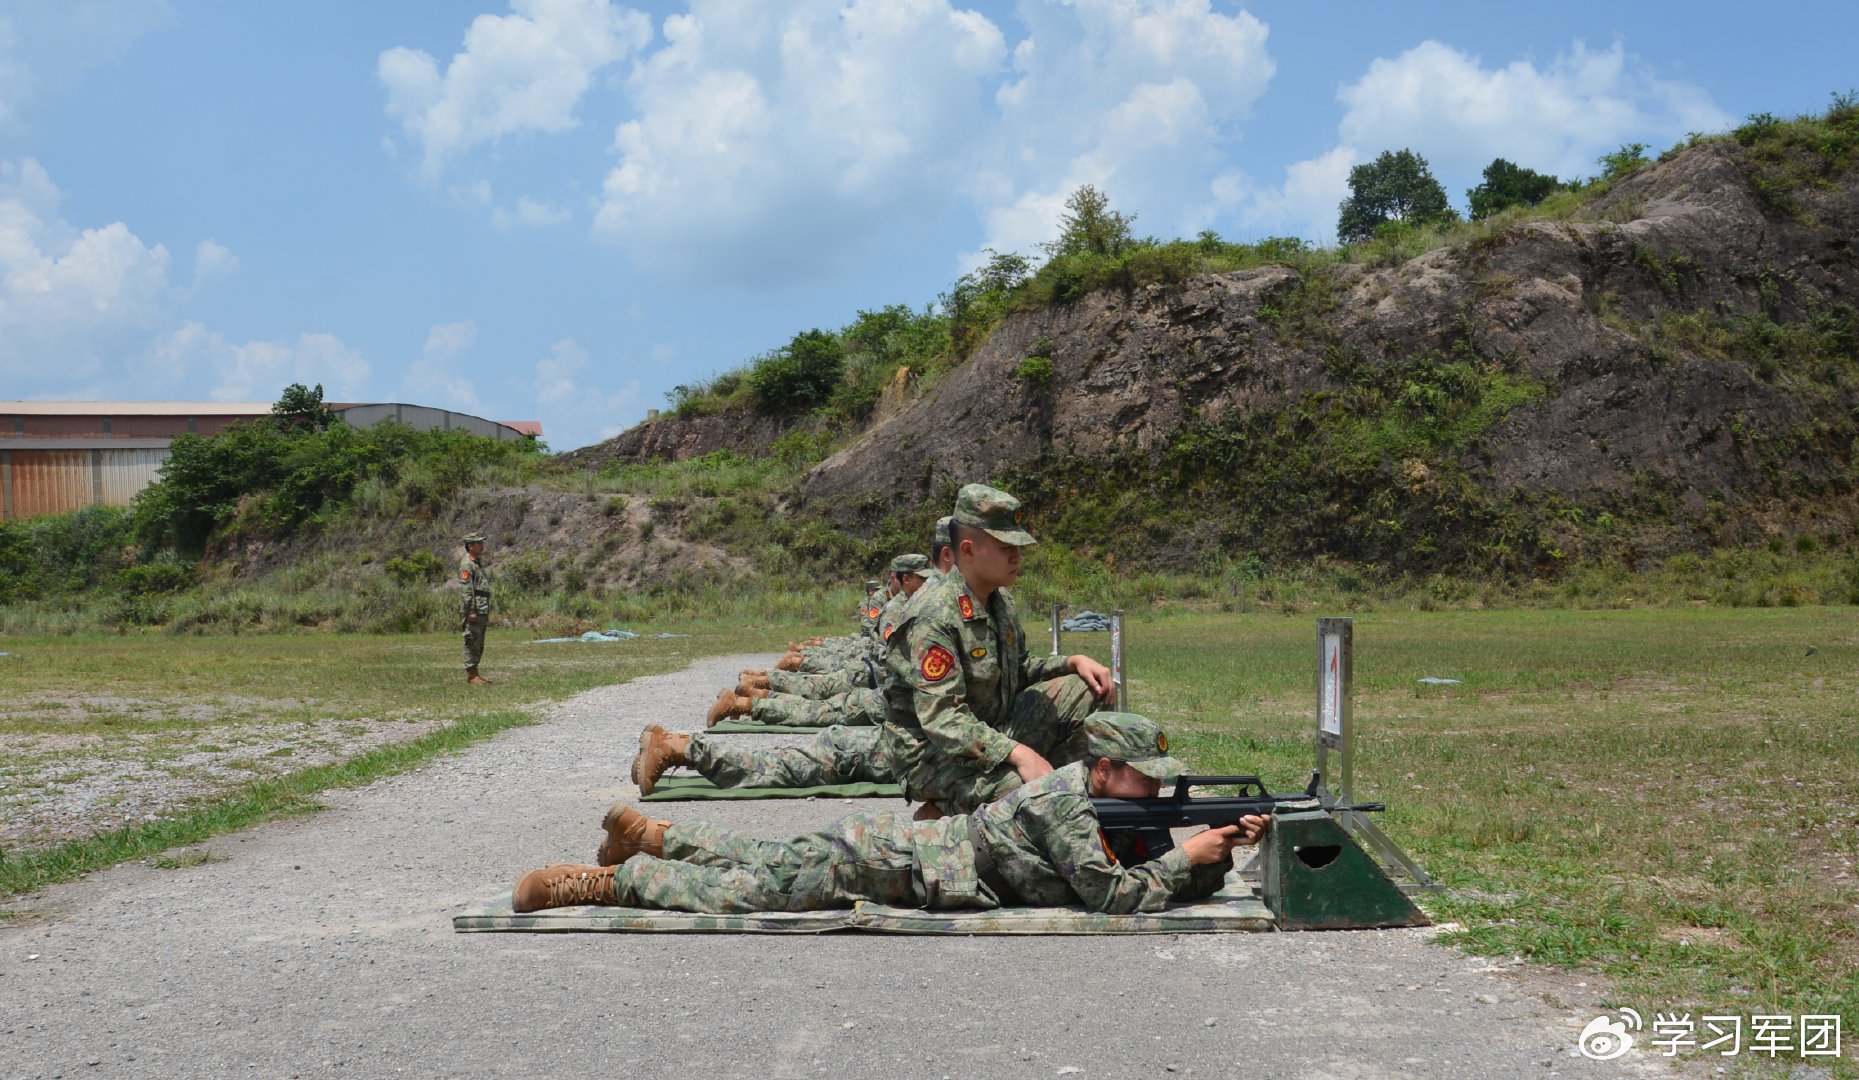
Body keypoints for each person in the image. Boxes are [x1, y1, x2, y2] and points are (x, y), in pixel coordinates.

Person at [513, 713, 1269, 915]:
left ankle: (658, 836)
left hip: (904, 851)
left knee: (770, 860)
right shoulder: (1066, 802)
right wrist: (1189, 856)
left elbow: (1139, 868)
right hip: (899, 867)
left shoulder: (1088, 798)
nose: (1156, 792)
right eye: (1145, 779)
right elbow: (1111, 895)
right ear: (1103, 768)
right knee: (757, 892)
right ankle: (605, 883)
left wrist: (1220, 849)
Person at [880, 484, 1113, 816]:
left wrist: (1072, 662)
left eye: (1018, 547)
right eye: (1005, 547)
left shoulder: (999, 599)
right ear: (968, 550)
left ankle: (1059, 787)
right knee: (1024, 791)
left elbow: (1018, 669)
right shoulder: (934, 615)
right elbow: (943, 719)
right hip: (932, 754)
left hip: (989, 731)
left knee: (1087, 688)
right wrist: (1017, 753)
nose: (1016, 556)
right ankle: (944, 811)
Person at [709, 556, 935, 727]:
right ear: (904, 578)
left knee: (818, 699)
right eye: (922, 578)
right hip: (874, 678)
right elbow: (884, 650)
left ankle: (754, 693)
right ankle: (754, 691)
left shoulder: (911, 605)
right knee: (818, 700)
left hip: (880, 680)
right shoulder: (896, 607)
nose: (927, 583)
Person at [458, 532, 491, 684]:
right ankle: (471, 675)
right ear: (470, 546)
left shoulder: (476, 562)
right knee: (471, 640)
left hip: (481, 608)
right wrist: (471, 611)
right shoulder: (467, 564)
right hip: (474, 609)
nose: (481, 546)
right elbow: (467, 591)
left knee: (478, 641)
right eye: (479, 543)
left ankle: (475, 673)